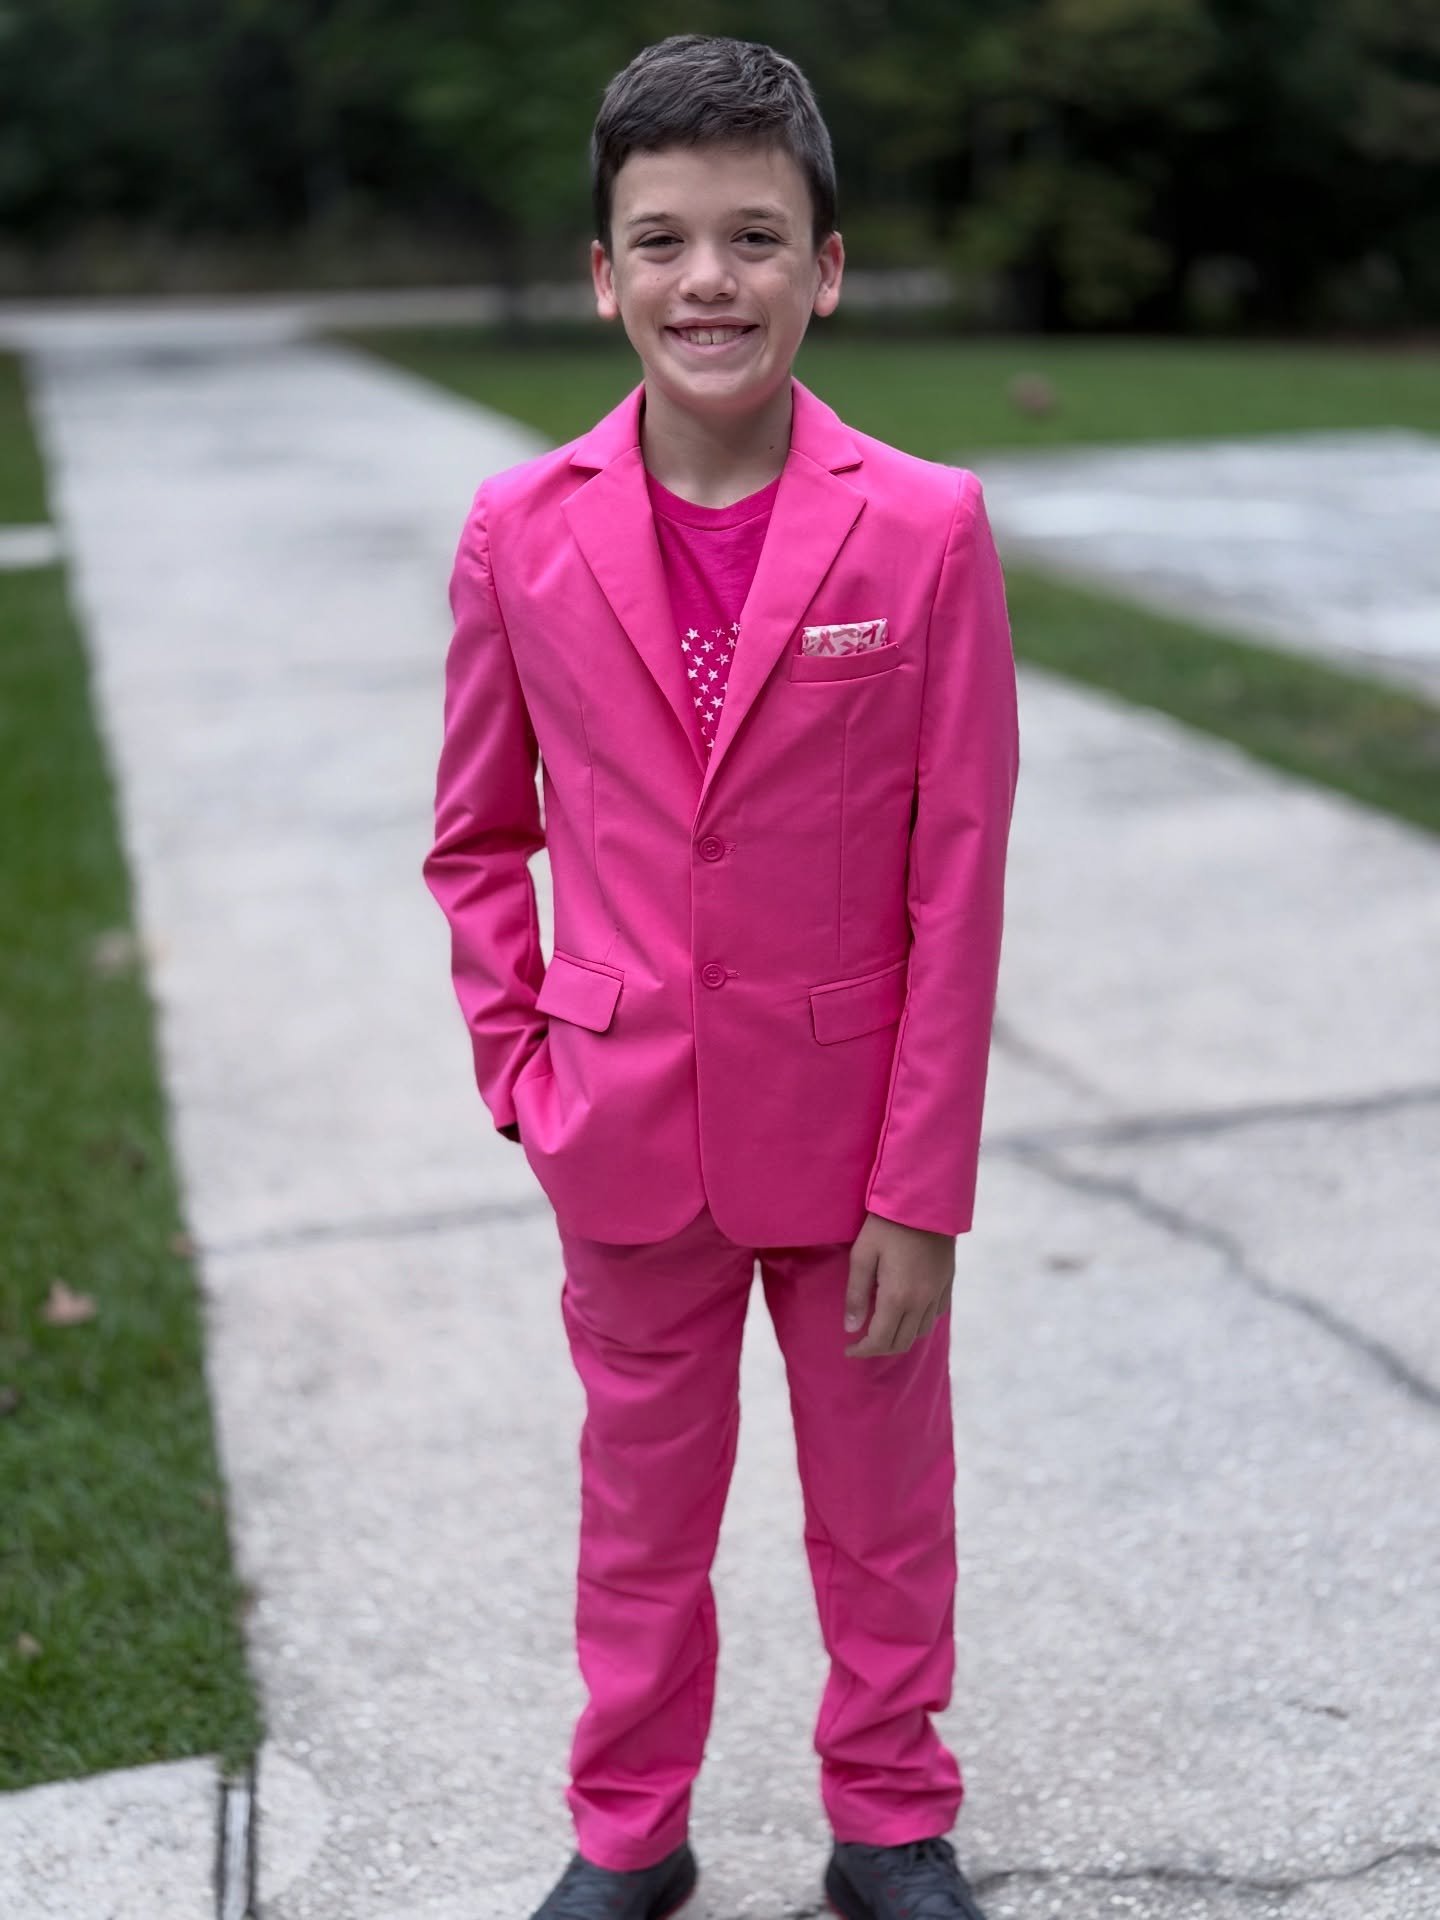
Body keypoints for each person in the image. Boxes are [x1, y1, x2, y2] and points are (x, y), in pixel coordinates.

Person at [423, 33, 1019, 1920]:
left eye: (755, 238)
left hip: (854, 1151)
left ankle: (889, 1824)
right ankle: (628, 1837)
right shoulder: (518, 534)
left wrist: (922, 1187)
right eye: (662, 241)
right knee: (640, 1524)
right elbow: (473, 835)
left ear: (824, 268)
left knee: (883, 1519)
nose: (709, 281)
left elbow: (960, 874)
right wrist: (525, 1069)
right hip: (621, 1138)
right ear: (603, 273)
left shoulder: (924, 528)